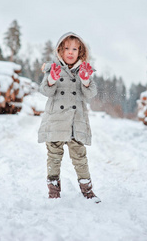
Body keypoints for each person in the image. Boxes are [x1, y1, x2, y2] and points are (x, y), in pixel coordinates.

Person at [38, 32, 100, 203]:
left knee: (80, 158)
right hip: (56, 121)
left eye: (74, 48)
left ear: (80, 51)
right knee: (54, 157)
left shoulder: (84, 70)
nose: (70, 52)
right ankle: (53, 192)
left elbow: (91, 93)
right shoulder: (53, 69)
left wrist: (86, 80)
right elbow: (45, 91)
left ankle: (88, 192)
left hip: (75, 123)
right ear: (60, 50)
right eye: (66, 48)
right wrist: (51, 79)